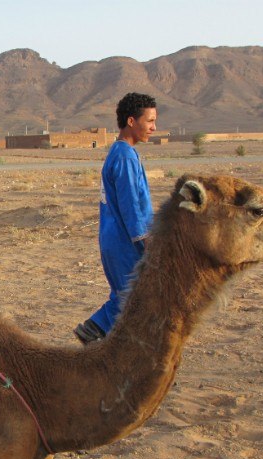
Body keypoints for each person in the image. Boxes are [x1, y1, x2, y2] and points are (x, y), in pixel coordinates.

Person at [74, 92, 157, 343]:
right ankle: (95, 331)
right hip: (125, 242)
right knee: (134, 297)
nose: (154, 127)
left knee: (127, 295)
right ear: (132, 121)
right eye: (150, 121)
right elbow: (131, 204)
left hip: (116, 238)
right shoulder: (124, 156)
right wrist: (146, 240)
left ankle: (97, 330)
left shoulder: (122, 152)